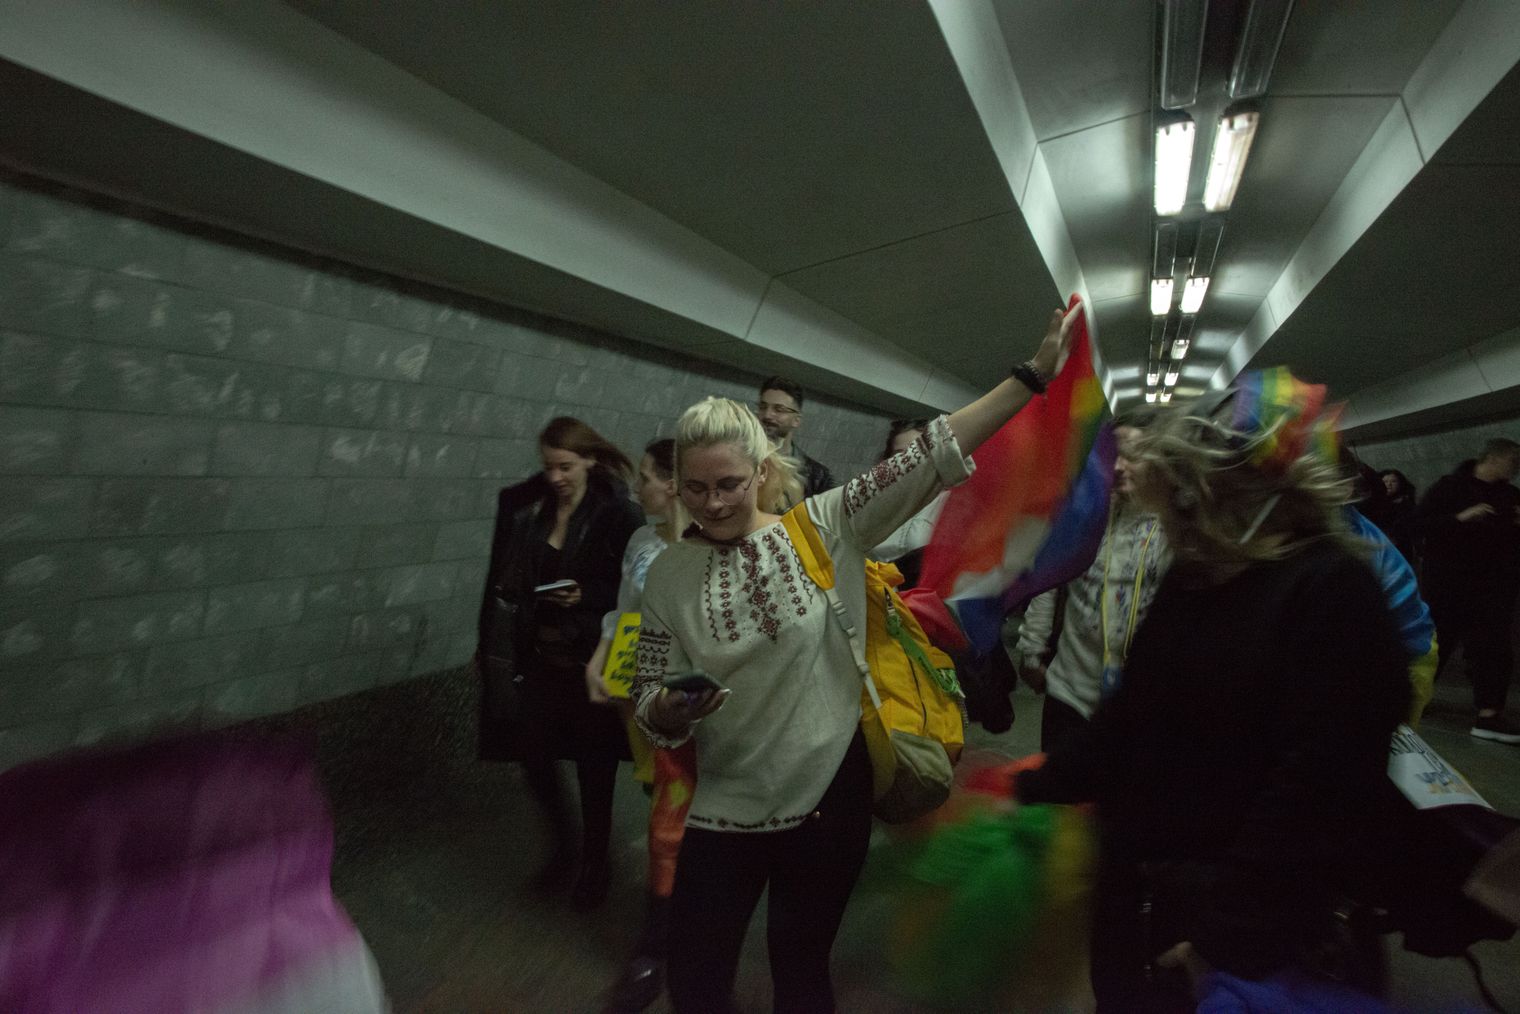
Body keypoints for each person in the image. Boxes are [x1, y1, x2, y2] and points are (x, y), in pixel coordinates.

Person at [633, 305, 1081, 1013]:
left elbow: (929, 456)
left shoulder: (824, 526)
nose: (712, 503)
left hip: (825, 804)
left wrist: (1028, 379)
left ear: (761, 472)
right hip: (724, 808)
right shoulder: (665, 576)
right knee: (696, 978)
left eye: (730, 484)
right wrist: (667, 707)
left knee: (802, 973)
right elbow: (646, 697)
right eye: (695, 488)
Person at [1016, 371, 1410, 1011]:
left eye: (1179, 495)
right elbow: (1132, 715)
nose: (1166, 514)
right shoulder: (1199, 577)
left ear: (1227, 494)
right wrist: (1031, 788)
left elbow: (1317, 787)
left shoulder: (1332, 593)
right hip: (1144, 880)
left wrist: (1222, 939)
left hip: (1232, 918)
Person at [477, 417, 643, 911]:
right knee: (533, 758)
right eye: (548, 467)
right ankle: (563, 847)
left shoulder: (618, 515)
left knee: (595, 772)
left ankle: (596, 863)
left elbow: (638, 589)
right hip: (538, 658)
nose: (556, 477)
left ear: (590, 459)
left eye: (565, 466)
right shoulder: (529, 509)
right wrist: (486, 647)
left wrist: (587, 594)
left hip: (588, 659)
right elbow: (500, 583)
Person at [1015, 408, 1172, 752]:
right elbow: (1048, 583)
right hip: (1070, 690)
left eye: (1133, 456)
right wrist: (1031, 650)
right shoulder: (1082, 515)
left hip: (1144, 699)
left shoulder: (1175, 526)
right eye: (1113, 455)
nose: (1118, 467)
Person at [1416, 440, 1520, 743]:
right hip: (1449, 585)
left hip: (1493, 587)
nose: (1515, 468)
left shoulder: (1510, 495)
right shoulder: (1450, 488)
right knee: (1435, 643)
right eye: (1512, 461)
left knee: (1494, 649)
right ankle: (1409, 700)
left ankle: (1489, 715)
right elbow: (1415, 525)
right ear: (1493, 458)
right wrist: (1459, 519)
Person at [755, 375, 836, 500]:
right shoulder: (743, 459)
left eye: (779, 409)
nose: (767, 415)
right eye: (763, 407)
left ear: (796, 420)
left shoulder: (818, 477)